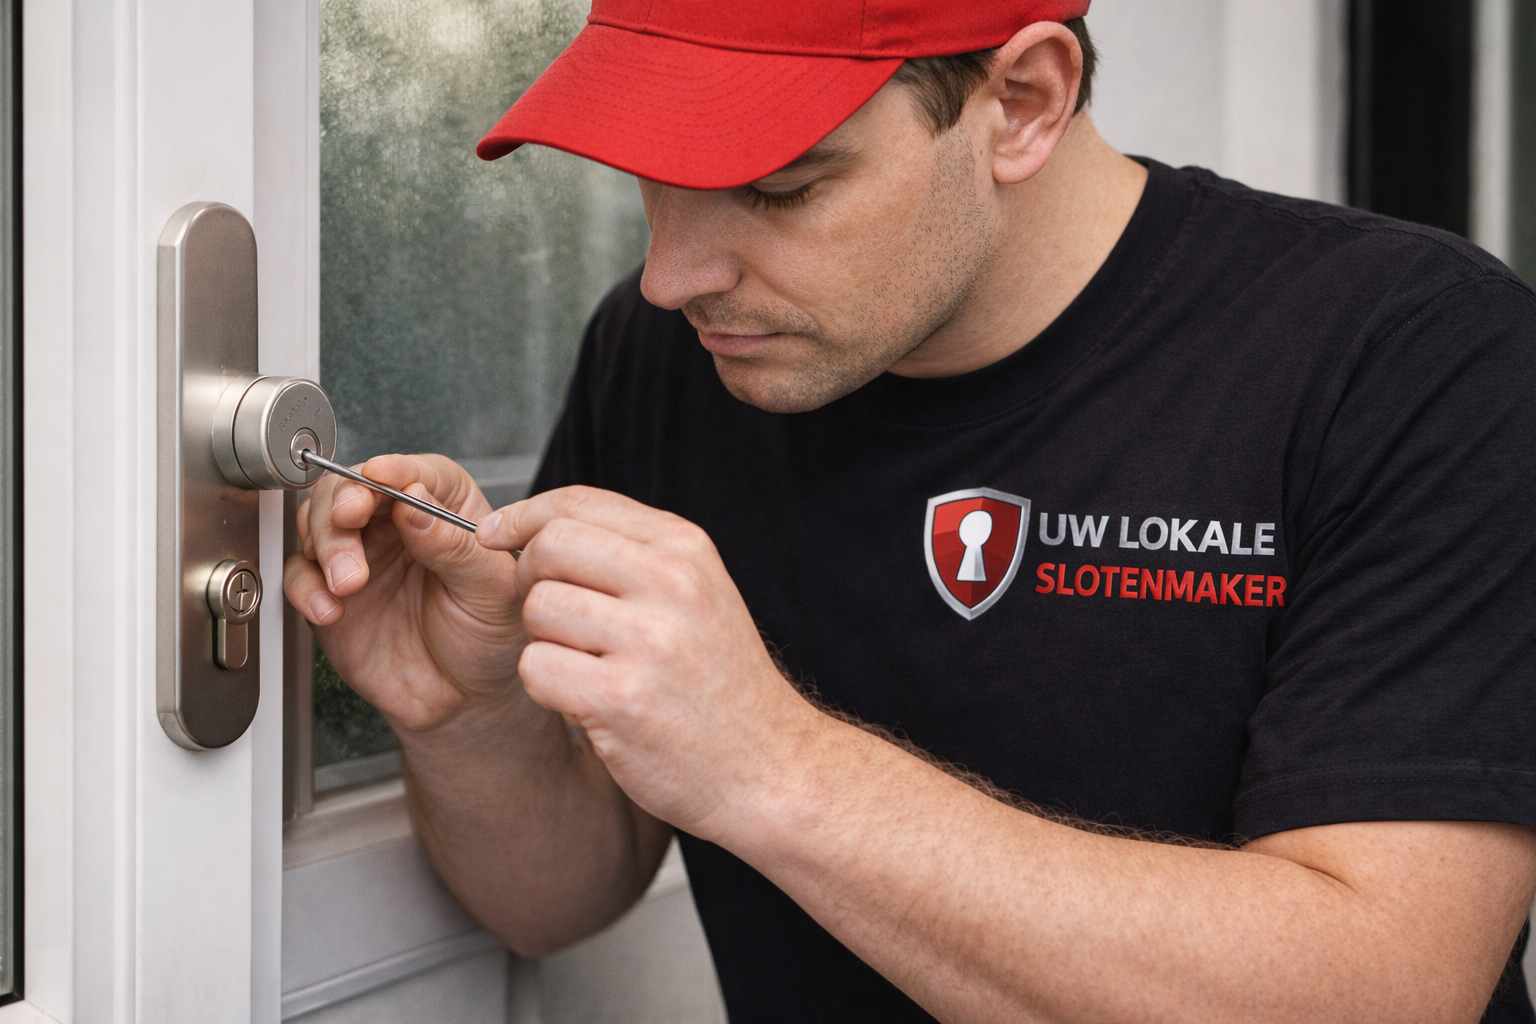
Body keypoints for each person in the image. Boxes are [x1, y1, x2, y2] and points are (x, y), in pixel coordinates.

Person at [283, 2, 1536, 1020]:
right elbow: (557, 896)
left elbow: (1388, 987)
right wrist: (469, 710)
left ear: (1023, 103)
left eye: (779, 189)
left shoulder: (1408, 355)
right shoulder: (670, 355)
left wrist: (774, 764)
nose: (672, 274)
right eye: (655, 178)